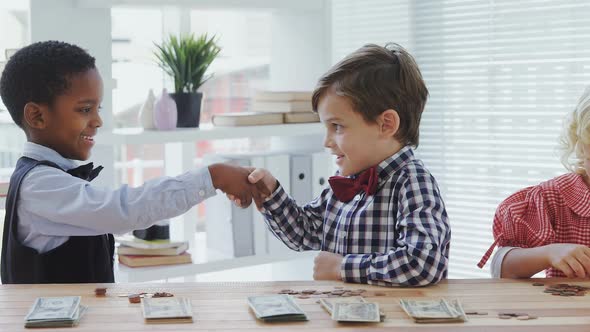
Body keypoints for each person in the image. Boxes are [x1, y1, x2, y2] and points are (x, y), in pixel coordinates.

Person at [0, 40, 266, 284]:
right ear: (37, 117)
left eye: (98, 109)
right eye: (84, 109)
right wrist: (213, 176)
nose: (98, 121)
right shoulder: (39, 185)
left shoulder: (55, 178)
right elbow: (122, 209)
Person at [240, 43, 451, 286]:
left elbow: (423, 262)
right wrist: (270, 193)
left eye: (337, 127)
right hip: (345, 317)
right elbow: (304, 232)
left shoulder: (413, 183)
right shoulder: (346, 181)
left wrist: (343, 268)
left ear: (386, 125)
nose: (327, 142)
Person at [478, 87, 590, 279]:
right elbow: (501, 268)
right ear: (580, 145)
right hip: (566, 309)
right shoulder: (554, 198)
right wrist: (549, 253)